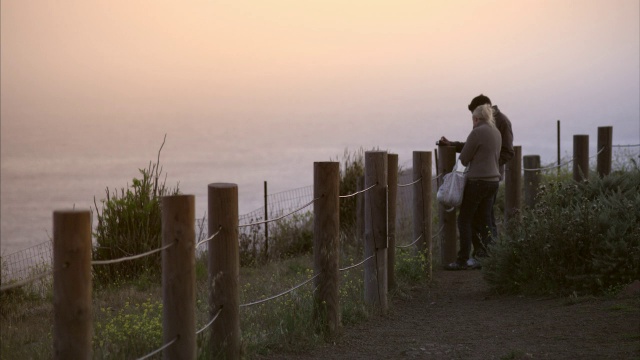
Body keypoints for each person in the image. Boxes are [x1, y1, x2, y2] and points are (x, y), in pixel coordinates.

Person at [440, 94, 514, 268]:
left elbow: (465, 158)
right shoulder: (495, 131)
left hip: (478, 180)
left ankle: (463, 259)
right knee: (485, 219)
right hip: (493, 180)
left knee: (465, 219)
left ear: (477, 116)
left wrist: (482, 161)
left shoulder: (481, 130)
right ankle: (487, 256)